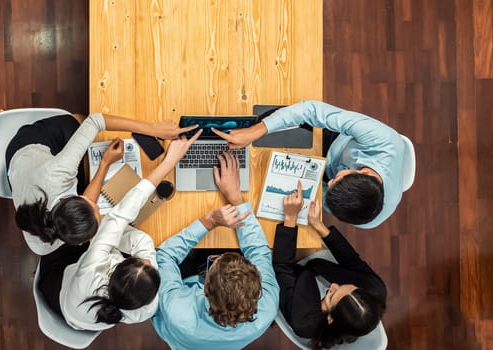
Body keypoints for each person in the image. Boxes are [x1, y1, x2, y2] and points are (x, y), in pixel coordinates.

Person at [37, 130, 203, 331]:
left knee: (73, 221)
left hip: (57, 288)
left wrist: (168, 163)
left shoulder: (93, 267)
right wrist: (116, 238)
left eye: (140, 262)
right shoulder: (146, 307)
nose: (149, 261)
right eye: (149, 265)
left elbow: (119, 216)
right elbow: (143, 243)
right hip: (84, 314)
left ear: (116, 269)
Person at [5, 112, 197, 255]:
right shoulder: (42, 246)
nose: (97, 205)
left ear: (74, 199)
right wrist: (104, 164)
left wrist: (154, 129)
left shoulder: (58, 173)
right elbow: (88, 206)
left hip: (25, 149)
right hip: (25, 178)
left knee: (78, 120)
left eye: (93, 206)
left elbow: (95, 120)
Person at [151, 152, 280, 350]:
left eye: (217, 262)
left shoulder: (177, 310)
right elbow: (259, 252)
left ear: (205, 285)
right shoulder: (268, 304)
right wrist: (235, 197)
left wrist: (210, 221)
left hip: (178, 324)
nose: (217, 257)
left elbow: (164, 255)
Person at [212, 100, 406, 228]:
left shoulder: (365, 218)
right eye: (337, 179)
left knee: (258, 181)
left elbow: (323, 196)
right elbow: (311, 109)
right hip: (334, 142)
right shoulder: (383, 140)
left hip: (311, 172)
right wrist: (257, 131)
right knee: (264, 121)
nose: (328, 183)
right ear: (363, 172)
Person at [272, 181, 387, 349]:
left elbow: (281, 267)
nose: (333, 285)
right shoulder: (375, 289)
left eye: (332, 294)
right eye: (346, 286)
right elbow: (351, 260)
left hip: (290, 277)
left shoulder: (304, 322)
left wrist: (290, 219)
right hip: (316, 266)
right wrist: (319, 226)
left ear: (330, 318)